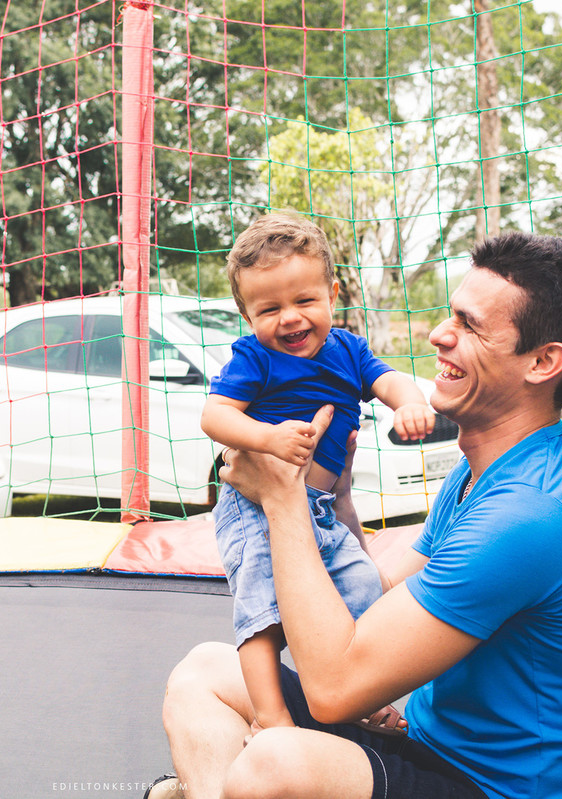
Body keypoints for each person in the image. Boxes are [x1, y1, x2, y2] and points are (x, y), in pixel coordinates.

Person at [153, 231, 562, 799]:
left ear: (543, 362)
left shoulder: (530, 513)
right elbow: (379, 598)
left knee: (276, 762)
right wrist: (336, 502)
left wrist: (282, 497)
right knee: (204, 673)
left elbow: (334, 690)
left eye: (469, 325)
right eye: (449, 315)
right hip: (432, 752)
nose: (439, 335)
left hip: (501, 791)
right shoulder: (482, 472)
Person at [199, 213, 434, 736]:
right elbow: (215, 417)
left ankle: (360, 698)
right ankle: (271, 716)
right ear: (247, 314)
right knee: (262, 607)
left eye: (304, 301)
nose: (289, 318)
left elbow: (390, 379)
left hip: (322, 513)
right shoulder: (253, 358)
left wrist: (410, 403)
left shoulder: (349, 350)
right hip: (256, 506)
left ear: (331, 294)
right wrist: (269, 438)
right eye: (269, 308)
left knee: (362, 588)